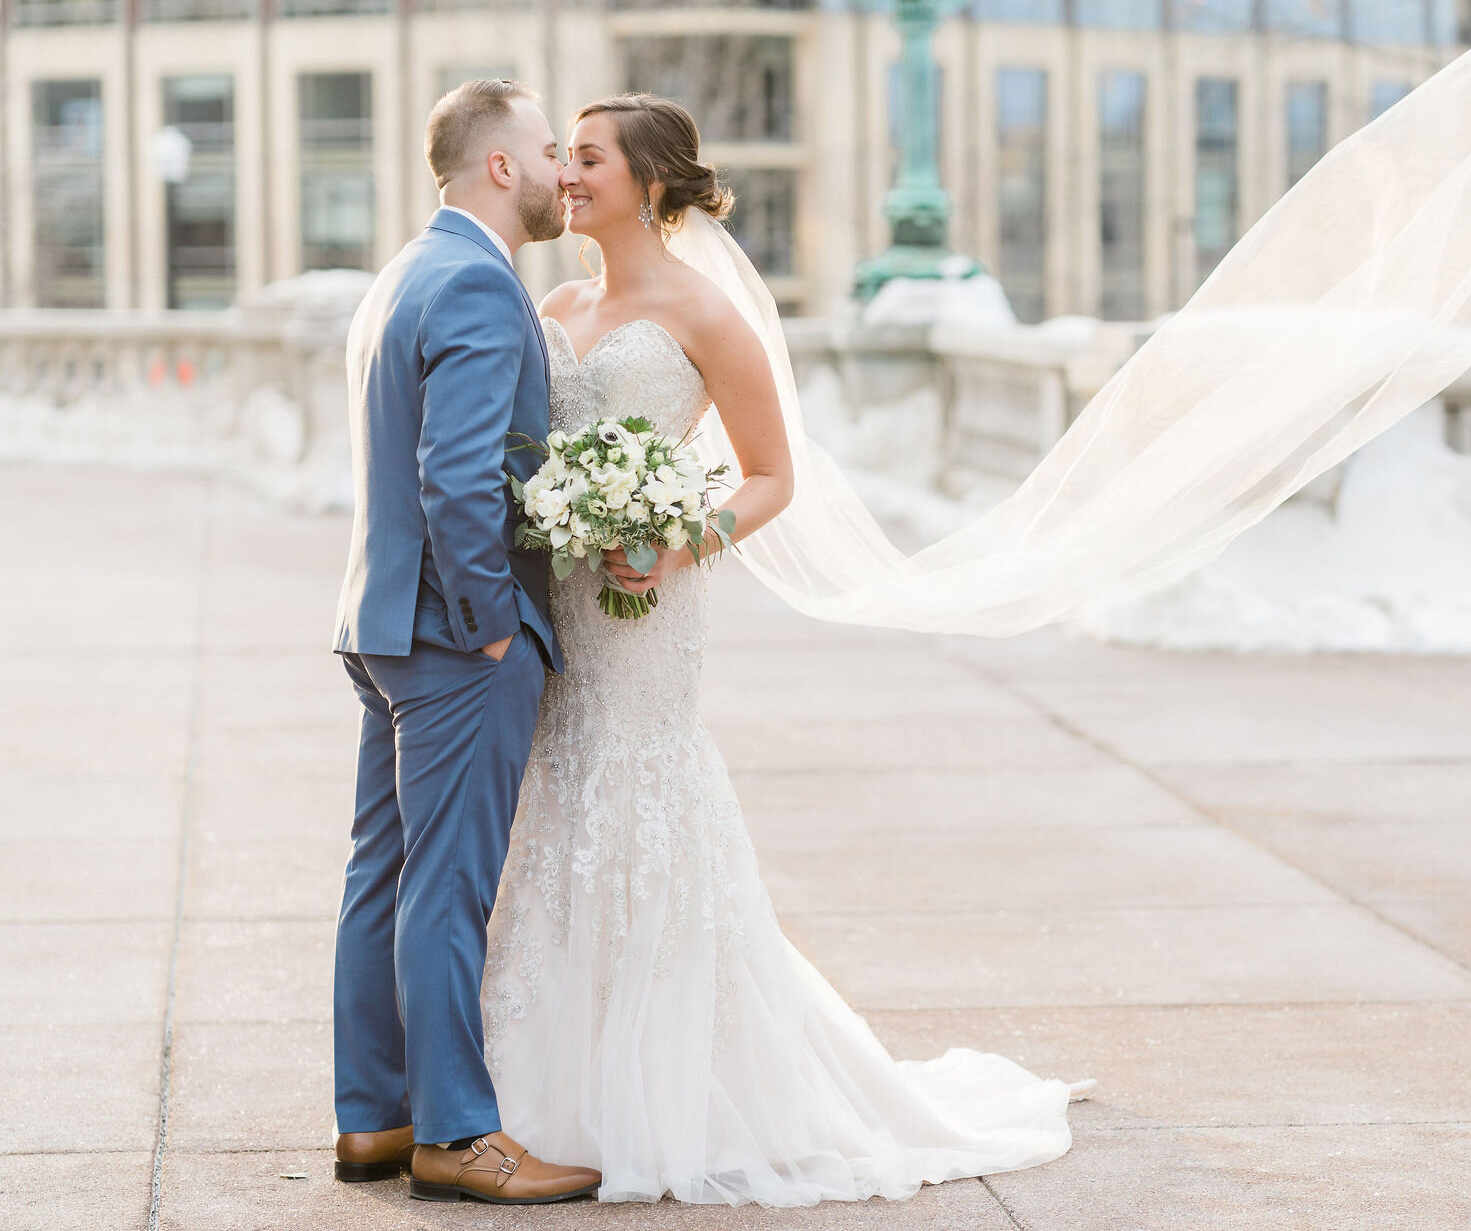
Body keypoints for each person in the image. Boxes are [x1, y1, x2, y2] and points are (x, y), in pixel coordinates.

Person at [478, 94, 1087, 1205]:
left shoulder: (708, 316)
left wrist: (676, 538)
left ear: (651, 184)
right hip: (557, 607)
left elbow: (770, 476)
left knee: (642, 798)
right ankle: (541, 1087)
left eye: (590, 159)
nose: (567, 174)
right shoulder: (555, 302)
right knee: (559, 807)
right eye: (564, 157)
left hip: (645, 612)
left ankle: (667, 1089)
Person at [329, 79, 603, 1205]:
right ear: (501, 166)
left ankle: (372, 1120)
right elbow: (456, 478)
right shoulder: (486, 289)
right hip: (454, 640)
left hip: (382, 624)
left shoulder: (409, 272)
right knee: (448, 887)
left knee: (381, 876)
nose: (558, 172)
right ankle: (453, 1133)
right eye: (547, 150)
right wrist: (493, 625)